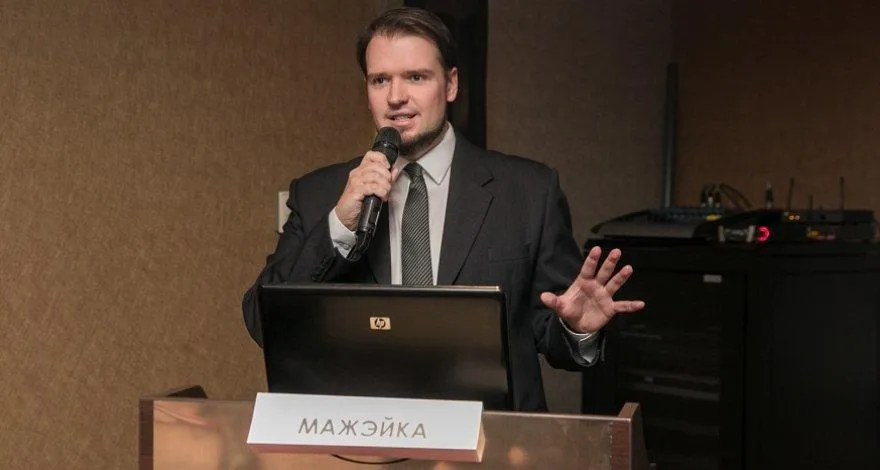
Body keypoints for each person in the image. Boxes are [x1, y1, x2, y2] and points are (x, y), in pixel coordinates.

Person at [242, 7, 644, 412]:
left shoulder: (528, 192)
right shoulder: (319, 193)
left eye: (416, 77)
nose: (395, 97)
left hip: (492, 435)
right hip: (364, 432)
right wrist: (339, 228)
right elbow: (263, 322)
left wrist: (576, 329)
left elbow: (550, 330)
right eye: (380, 80)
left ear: (450, 84)